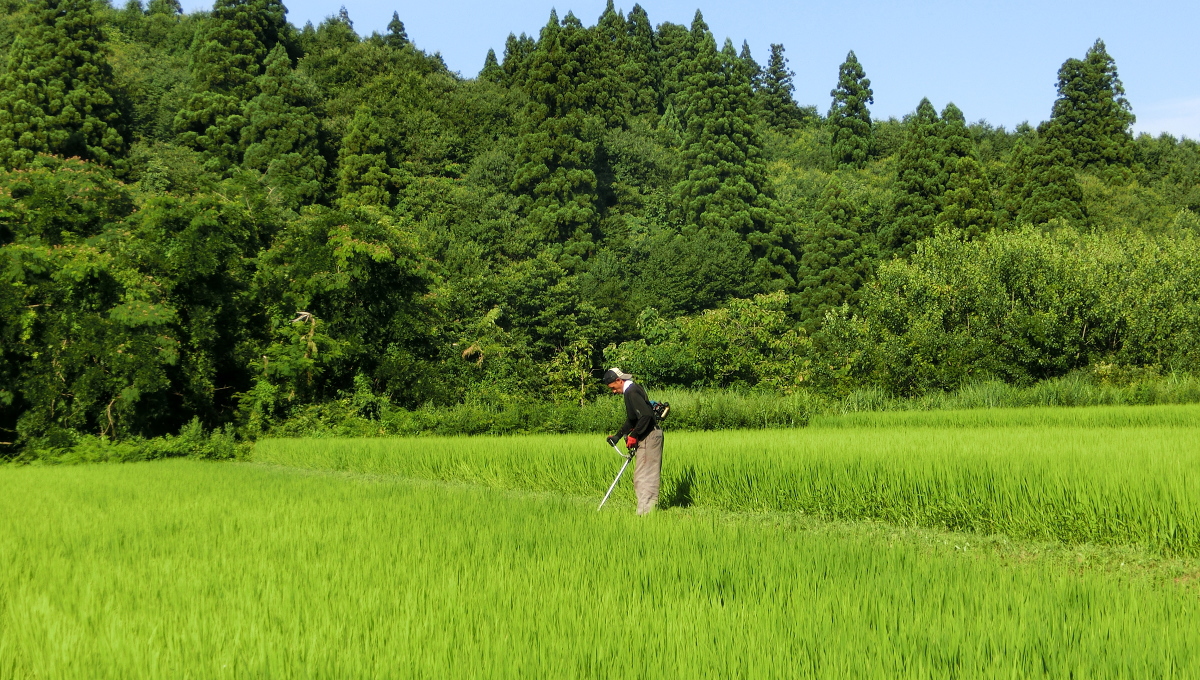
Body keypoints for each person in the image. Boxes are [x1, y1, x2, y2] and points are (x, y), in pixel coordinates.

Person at [601, 367, 663, 515]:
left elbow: (646, 416)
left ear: (619, 380)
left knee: (645, 476)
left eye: (613, 388)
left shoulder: (632, 391)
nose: (613, 391)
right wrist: (617, 436)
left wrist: (634, 435)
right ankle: (645, 512)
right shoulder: (631, 390)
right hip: (647, 437)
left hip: (650, 437)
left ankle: (645, 515)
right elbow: (633, 419)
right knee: (641, 476)